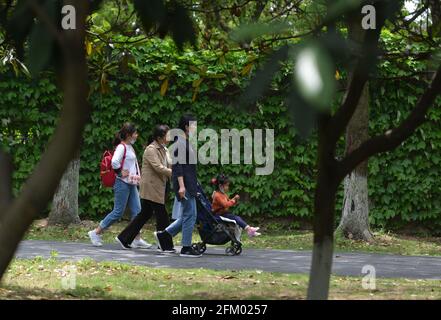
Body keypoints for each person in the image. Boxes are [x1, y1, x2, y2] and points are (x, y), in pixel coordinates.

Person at [88, 123, 150, 248]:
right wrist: (120, 173)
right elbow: (114, 161)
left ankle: (136, 238)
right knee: (118, 212)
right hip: (122, 183)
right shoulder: (122, 147)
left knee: (137, 212)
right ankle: (95, 232)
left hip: (131, 183)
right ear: (128, 135)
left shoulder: (129, 146)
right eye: (135, 133)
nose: (137, 135)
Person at [115, 125, 175, 252]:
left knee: (144, 214)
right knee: (162, 215)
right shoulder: (151, 149)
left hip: (158, 186)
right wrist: (174, 173)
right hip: (152, 187)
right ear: (159, 138)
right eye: (167, 135)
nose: (169, 138)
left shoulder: (164, 149)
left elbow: (170, 164)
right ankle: (165, 245)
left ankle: (124, 238)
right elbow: (158, 167)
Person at [154, 114, 201, 257]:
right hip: (184, 184)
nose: (195, 128)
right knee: (190, 215)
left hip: (189, 183)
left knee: (189, 215)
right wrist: (181, 186)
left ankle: (165, 235)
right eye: (193, 125)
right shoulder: (180, 142)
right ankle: (186, 248)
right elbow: (178, 166)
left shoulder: (185, 141)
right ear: (186, 127)